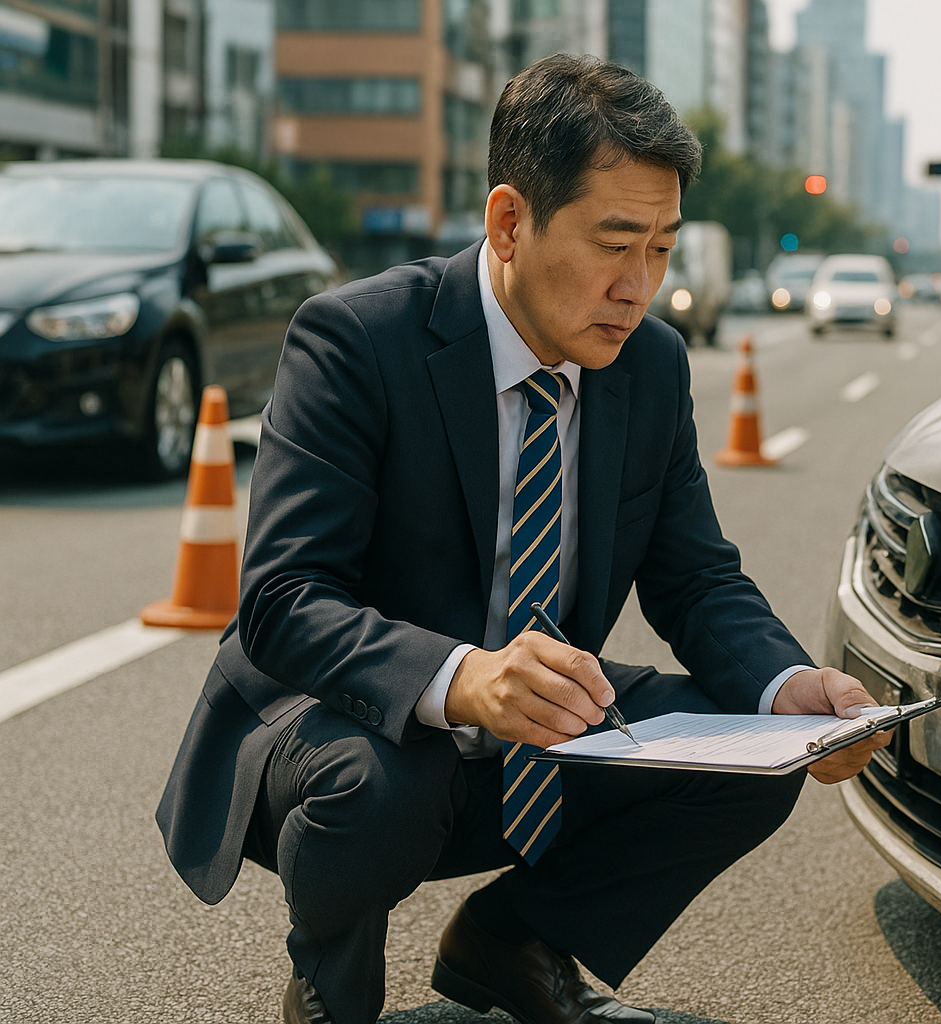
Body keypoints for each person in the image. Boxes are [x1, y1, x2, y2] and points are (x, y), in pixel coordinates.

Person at [156, 53, 889, 1024]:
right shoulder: (356, 340)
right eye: (614, 243)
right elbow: (285, 601)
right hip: (346, 727)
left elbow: (696, 578)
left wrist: (787, 688)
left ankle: (512, 941)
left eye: (662, 249)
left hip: (536, 718)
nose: (639, 286)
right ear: (509, 222)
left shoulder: (651, 367)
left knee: (754, 753)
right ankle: (330, 981)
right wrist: (463, 679)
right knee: (384, 779)